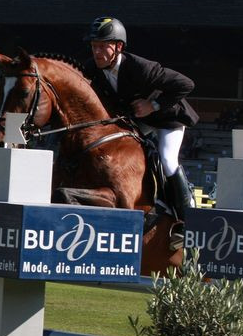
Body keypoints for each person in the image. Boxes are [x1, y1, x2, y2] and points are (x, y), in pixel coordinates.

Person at [83, 16, 199, 249]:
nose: (97, 52)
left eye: (102, 46)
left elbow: (186, 84)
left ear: (118, 47)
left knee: (167, 160)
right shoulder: (92, 70)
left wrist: (153, 105)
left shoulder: (141, 68)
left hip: (167, 119)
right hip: (138, 122)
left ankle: (187, 220)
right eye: (94, 46)